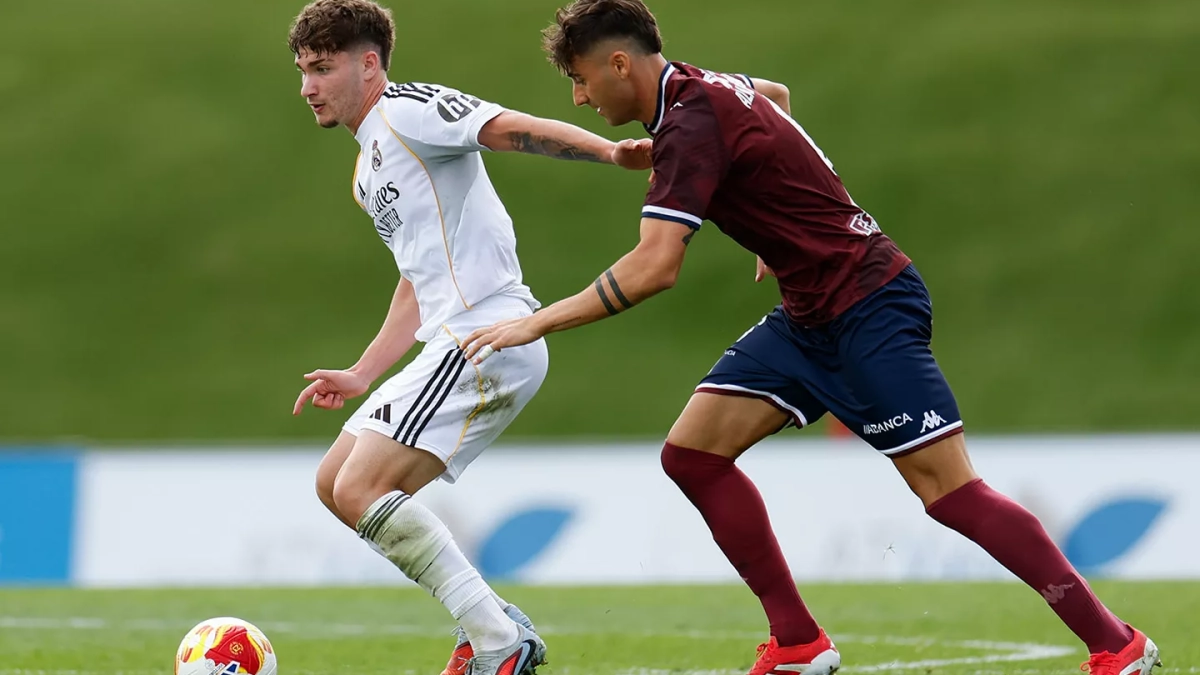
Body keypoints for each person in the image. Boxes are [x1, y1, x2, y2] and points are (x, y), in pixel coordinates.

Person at [460, 2, 1162, 675]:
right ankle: (797, 641)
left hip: (869, 305)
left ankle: (1118, 643)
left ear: (619, 64)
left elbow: (654, 268)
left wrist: (535, 320)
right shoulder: (701, 88)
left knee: (950, 493)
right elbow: (776, 95)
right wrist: (779, 223)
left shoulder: (690, 124)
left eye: (580, 78)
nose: (579, 97)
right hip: (809, 315)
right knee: (693, 455)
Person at [285, 2, 649, 675]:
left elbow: (506, 128)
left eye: (323, 68)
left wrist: (609, 152)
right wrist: (363, 371)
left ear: (370, 64)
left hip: (488, 331)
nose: (308, 85)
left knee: (361, 485)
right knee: (334, 482)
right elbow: (416, 279)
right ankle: (494, 622)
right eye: (304, 70)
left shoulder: (409, 111)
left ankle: (497, 639)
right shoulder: (367, 173)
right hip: (453, 338)